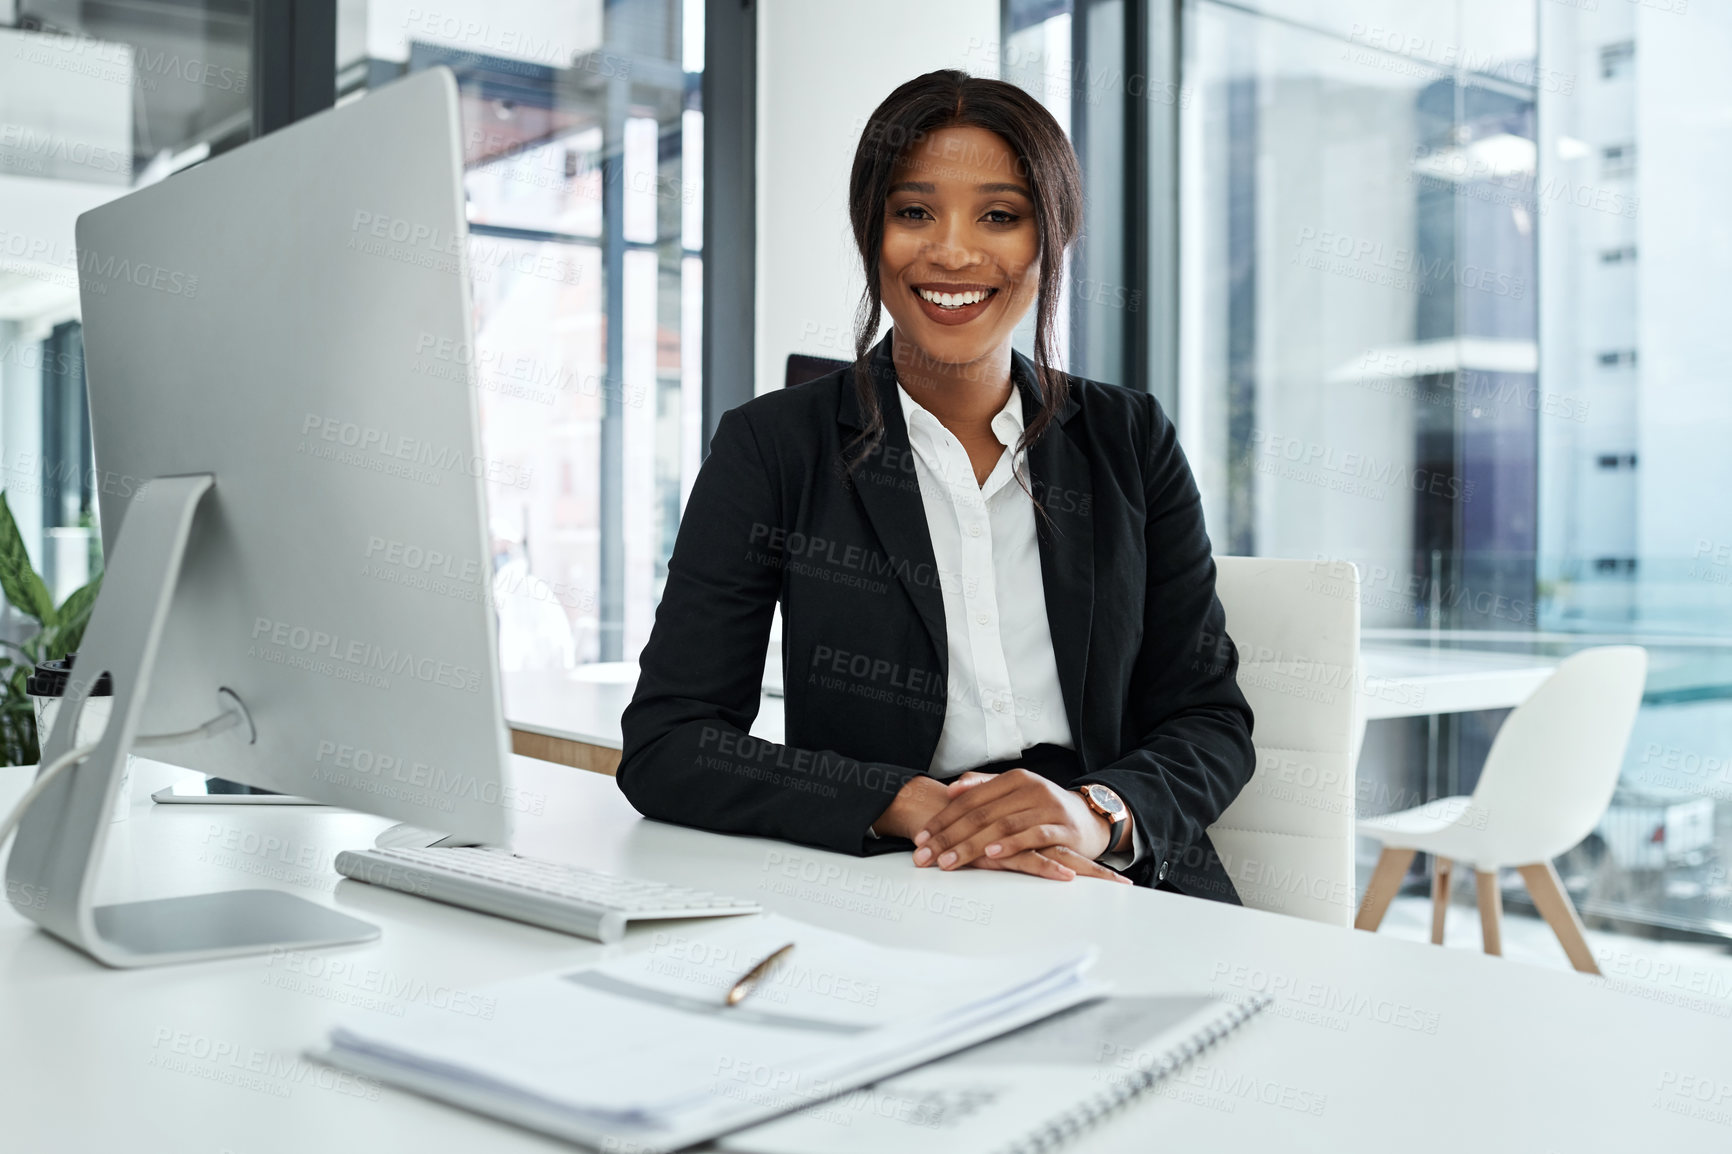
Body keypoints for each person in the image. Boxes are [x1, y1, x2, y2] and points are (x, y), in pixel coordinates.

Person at [617, 69, 1255, 902]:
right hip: (899, 879)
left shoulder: (1131, 440)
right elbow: (671, 741)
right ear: (871, 233)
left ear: (1050, 238)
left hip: (1115, 881)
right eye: (914, 212)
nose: (953, 251)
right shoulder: (771, 448)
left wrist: (1096, 811)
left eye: (1000, 216)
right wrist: (901, 803)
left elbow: (1210, 720)